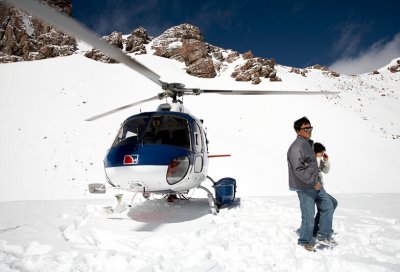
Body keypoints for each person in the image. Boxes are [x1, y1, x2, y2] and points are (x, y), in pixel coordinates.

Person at [287, 117, 335, 251]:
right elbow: (298, 170)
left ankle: (322, 234)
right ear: (298, 131)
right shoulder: (296, 148)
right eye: (305, 128)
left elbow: (313, 165)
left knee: (329, 204)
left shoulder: (309, 144)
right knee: (308, 216)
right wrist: (314, 182)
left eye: (310, 128)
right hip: (305, 187)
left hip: (316, 185)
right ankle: (304, 241)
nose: (309, 130)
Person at [313, 142, 338, 237]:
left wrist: (326, 161)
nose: (322, 154)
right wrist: (318, 158)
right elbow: (314, 169)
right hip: (314, 189)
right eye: (321, 153)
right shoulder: (313, 161)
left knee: (333, 203)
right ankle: (323, 234)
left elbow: (326, 171)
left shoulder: (318, 160)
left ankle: (316, 227)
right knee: (328, 206)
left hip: (320, 188)